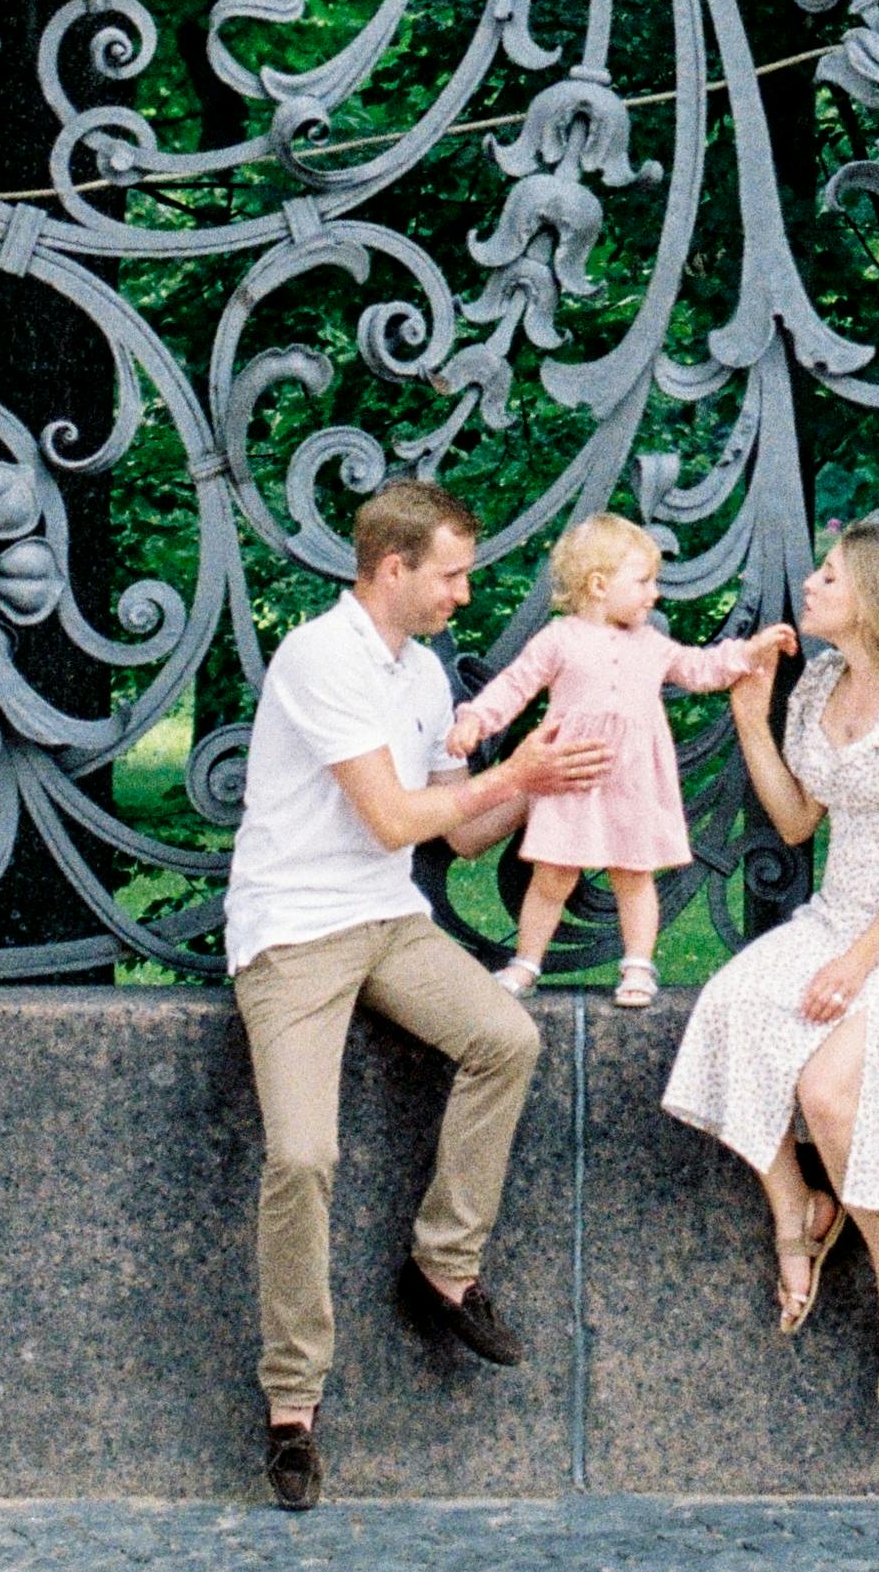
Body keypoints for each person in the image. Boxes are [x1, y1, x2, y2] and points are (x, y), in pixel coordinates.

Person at [227, 477, 612, 1513]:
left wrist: (545, 775)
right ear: (391, 568)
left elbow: (454, 830)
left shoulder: (425, 671)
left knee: (505, 1037)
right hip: (294, 932)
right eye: (449, 573)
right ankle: (291, 1408)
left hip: (386, 918)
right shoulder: (318, 656)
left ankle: (442, 1264)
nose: (463, 592)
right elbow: (398, 815)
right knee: (302, 1154)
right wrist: (507, 772)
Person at [660, 522, 879, 1419]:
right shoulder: (822, 680)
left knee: (825, 1090)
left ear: (876, 599)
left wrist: (859, 964)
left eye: (827, 576)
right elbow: (795, 823)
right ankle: (798, 1212)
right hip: (837, 918)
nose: (809, 587)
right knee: (730, 1004)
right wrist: (749, 716)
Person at [445, 512, 793, 1008]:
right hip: (573, 775)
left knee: (634, 875)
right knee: (553, 876)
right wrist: (476, 718)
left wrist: (751, 651)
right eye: (644, 581)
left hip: (633, 781)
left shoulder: (650, 644)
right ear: (599, 584)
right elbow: (515, 684)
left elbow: (700, 669)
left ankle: (638, 964)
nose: (655, 594)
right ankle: (526, 962)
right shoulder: (559, 639)